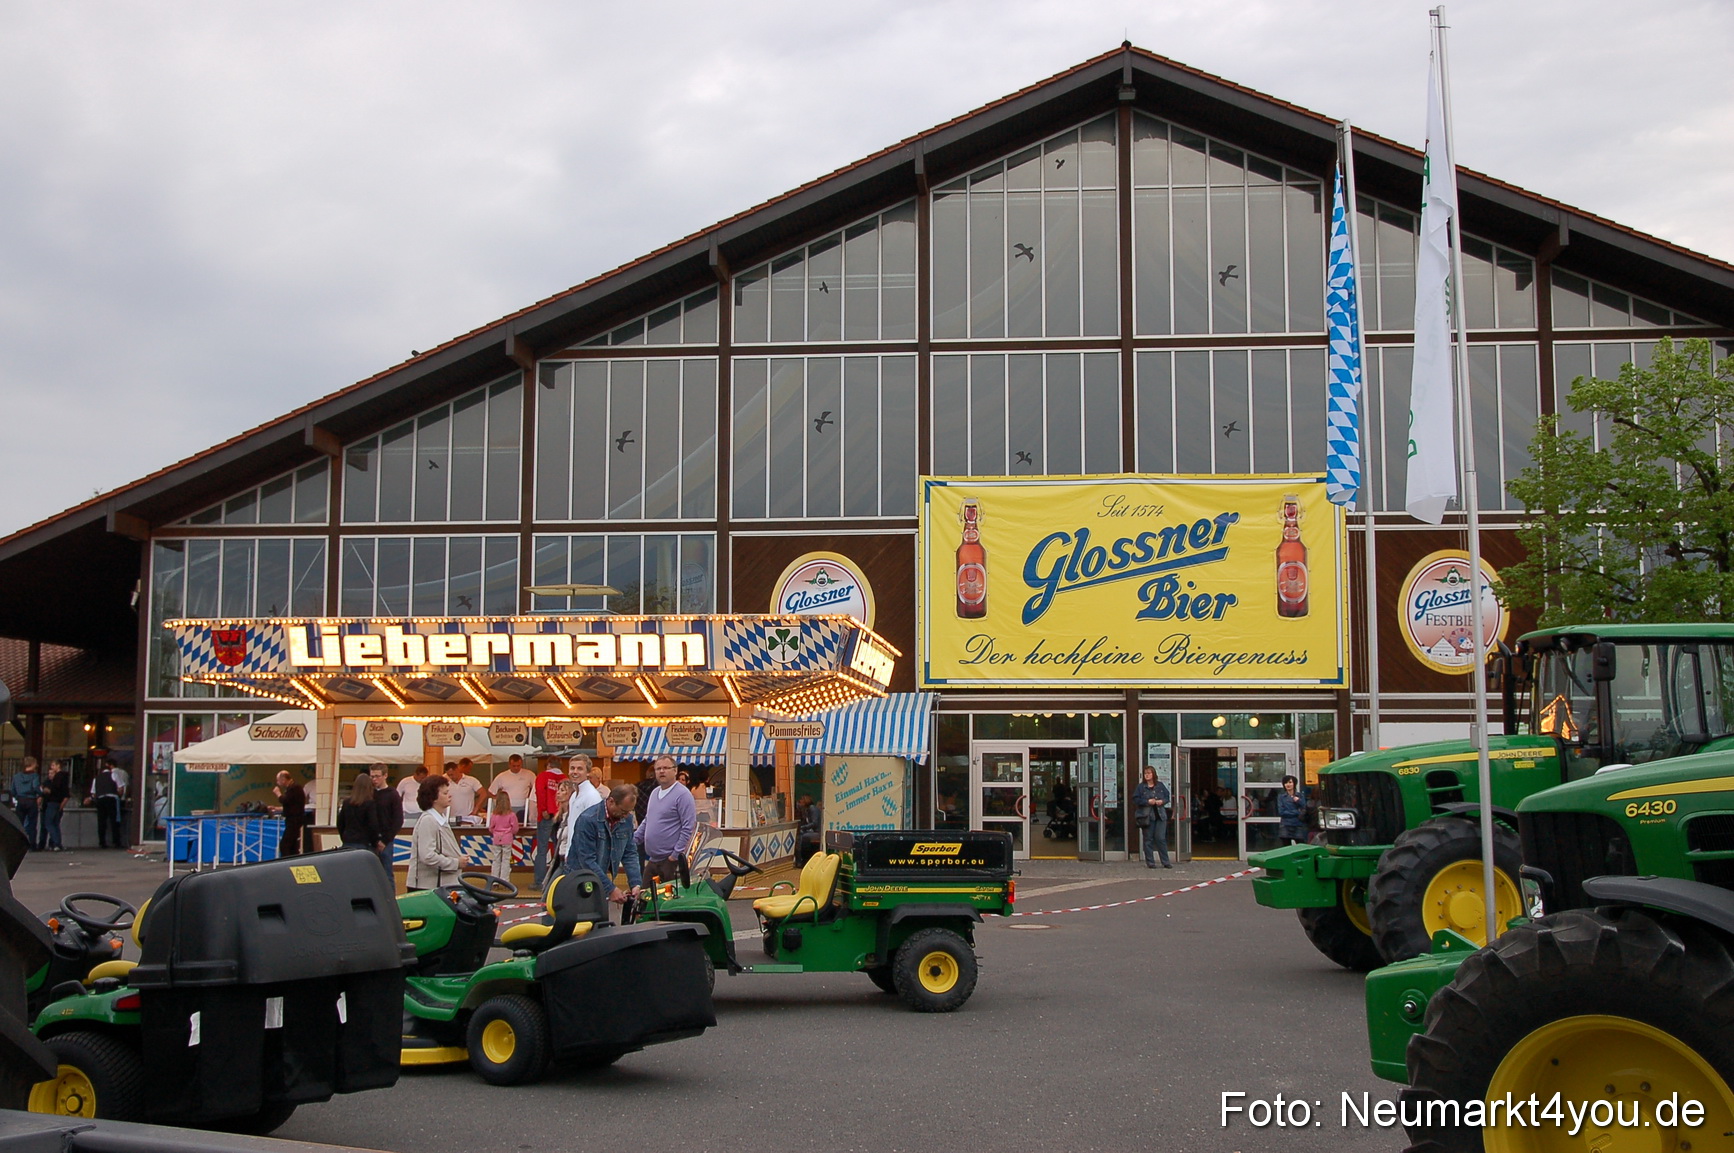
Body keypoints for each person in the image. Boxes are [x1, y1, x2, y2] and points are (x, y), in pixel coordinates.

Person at [567, 783, 642, 914]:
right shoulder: (587, 820)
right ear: (611, 801)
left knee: (600, 925)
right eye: (623, 811)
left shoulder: (627, 819)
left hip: (599, 880)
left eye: (629, 811)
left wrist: (636, 883)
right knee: (581, 926)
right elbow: (587, 861)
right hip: (579, 881)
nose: (626, 816)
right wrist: (611, 889)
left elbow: (630, 853)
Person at [635, 755, 696, 884]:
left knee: (668, 901)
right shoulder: (654, 793)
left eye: (666, 768)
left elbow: (688, 826)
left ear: (675, 771)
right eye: (658, 769)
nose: (661, 771)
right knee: (645, 898)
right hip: (653, 859)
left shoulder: (683, 795)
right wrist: (634, 839)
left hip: (670, 861)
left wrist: (675, 855)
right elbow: (648, 820)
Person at [407, 776, 464, 891]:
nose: (449, 795)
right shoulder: (428, 820)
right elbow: (427, 856)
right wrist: (456, 863)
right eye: (445, 793)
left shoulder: (440, 819)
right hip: (427, 887)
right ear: (433, 798)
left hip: (440, 885)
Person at [532, 757, 567, 891]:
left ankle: (539, 881)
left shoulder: (542, 776)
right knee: (559, 848)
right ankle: (557, 878)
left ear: (548, 765)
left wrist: (543, 810)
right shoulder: (564, 778)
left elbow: (540, 794)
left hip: (546, 815)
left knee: (542, 849)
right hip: (560, 815)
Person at [1132, 765, 1172, 869]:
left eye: (1149, 773)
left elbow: (1167, 797)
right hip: (1147, 816)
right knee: (1148, 839)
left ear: (1153, 774)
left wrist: (1162, 801)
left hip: (1160, 815)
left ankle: (1166, 862)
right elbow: (1135, 799)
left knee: (1160, 838)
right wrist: (1147, 801)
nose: (1147, 775)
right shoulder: (1141, 787)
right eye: (1145, 773)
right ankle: (1150, 862)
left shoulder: (1160, 785)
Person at [369, 763, 404, 874]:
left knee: (387, 872)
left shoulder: (393, 794)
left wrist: (385, 840)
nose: (374, 779)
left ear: (385, 776)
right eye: (372, 776)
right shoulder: (369, 793)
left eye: (377, 776)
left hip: (386, 840)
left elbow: (398, 820)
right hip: (370, 839)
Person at [336, 772, 381, 850]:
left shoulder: (347, 802)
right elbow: (373, 825)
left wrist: (344, 837)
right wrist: (375, 842)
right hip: (364, 842)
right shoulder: (370, 804)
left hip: (348, 841)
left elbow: (340, 823)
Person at [272, 770, 309, 858]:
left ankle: (286, 860)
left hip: (294, 820)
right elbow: (291, 804)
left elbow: (285, 800)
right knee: (292, 845)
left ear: (283, 779)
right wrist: (277, 808)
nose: (278, 783)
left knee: (285, 844)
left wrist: (278, 793)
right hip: (292, 819)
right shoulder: (291, 788)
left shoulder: (295, 788)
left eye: (278, 780)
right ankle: (292, 859)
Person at [89, 760, 125, 848]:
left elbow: (93, 793)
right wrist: (119, 796)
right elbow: (121, 788)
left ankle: (102, 842)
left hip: (100, 800)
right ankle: (116, 842)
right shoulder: (113, 775)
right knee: (114, 821)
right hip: (111, 799)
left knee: (101, 822)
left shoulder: (96, 778)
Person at [491, 753, 537, 822]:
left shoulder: (529, 774)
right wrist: (499, 803)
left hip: (523, 807)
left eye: (518, 766)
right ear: (509, 765)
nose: (516, 768)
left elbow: (536, 789)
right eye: (514, 766)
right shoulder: (502, 776)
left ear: (521, 764)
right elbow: (491, 791)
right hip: (506, 808)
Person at [486, 792, 519, 881]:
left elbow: (491, 828)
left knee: (496, 859)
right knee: (506, 860)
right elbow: (515, 828)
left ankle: (494, 880)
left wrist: (496, 833)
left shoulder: (494, 815)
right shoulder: (512, 815)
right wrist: (509, 833)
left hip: (497, 839)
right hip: (507, 839)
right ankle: (504, 880)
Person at [546, 778, 577, 874]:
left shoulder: (574, 816)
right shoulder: (558, 819)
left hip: (570, 862)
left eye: (562, 790)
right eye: (558, 790)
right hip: (560, 860)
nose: (558, 793)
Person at [38, 761, 70, 851]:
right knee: (55, 824)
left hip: (52, 802)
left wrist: (49, 791)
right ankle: (56, 843)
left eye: (53, 766)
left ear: (58, 766)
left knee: (48, 823)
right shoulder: (63, 778)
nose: (51, 767)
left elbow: (56, 790)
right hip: (56, 803)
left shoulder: (58, 778)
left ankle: (56, 843)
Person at [12, 757, 40, 849]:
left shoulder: (16, 777)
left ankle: (18, 844)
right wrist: (41, 794)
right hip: (31, 801)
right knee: (32, 824)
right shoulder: (34, 776)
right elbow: (36, 788)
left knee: (19, 824)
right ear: (32, 764)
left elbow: (13, 790)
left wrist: (18, 797)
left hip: (20, 800)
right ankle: (32, 845)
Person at [1277, 774, 1309, 846]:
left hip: (1298, 824)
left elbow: (1304, 808)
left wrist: (1298, 801)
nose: (1288, 784)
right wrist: (1297, 812)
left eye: (1290, 782)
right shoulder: (1281, 797)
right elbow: (1281, 812)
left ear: (1294, 783)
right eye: (1286, 783)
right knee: (1286, 847)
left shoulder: (1300, 796)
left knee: (1301, 846)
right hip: (1285, 824)